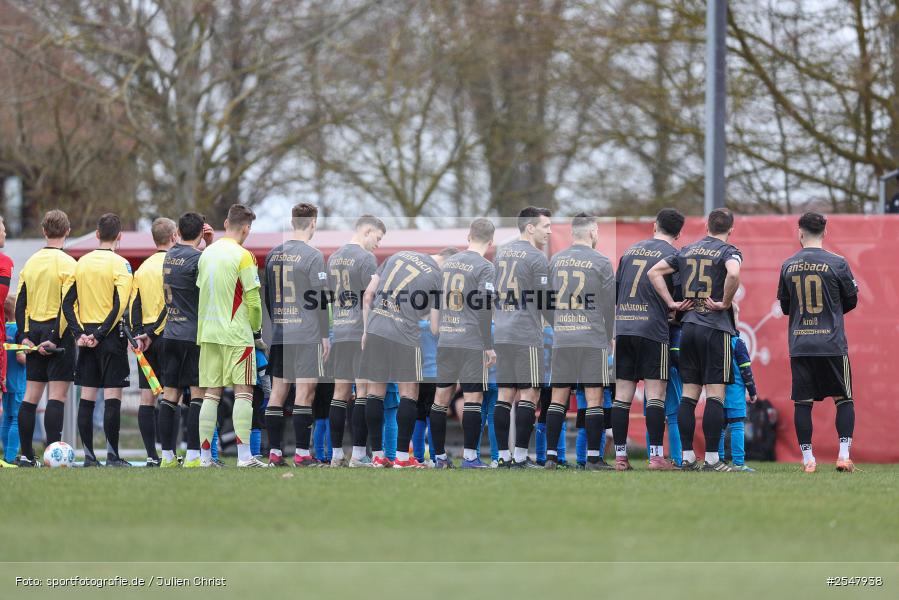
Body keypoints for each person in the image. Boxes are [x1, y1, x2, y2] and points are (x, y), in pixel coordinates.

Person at [647, 207, 742, 472]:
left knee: (689, 395)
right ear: (731, 229)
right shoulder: (729, 251)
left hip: (688, 328)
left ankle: (688, 457)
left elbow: (654, 272)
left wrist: (672, 303)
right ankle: (712, 459)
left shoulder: (686, 250)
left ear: (707, 226)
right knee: (715, 394)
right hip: (715, 328)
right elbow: (734, 273)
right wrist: (725, 302)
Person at [777, 212, 859, 473]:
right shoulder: (838, 262)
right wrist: (831, 311)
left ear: (800, 232)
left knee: (803, 402)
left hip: (801, 343)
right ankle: (843, 456)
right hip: (831, 342)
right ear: (825, 232)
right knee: (843, 399)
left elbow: (786, 307)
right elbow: (852, 300)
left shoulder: (787, 265)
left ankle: (808, 460)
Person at [612, 208, 686, 471]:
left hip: (624, 329)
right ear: (679, 233)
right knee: (656, 395)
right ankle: (656, 457)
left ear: (655, 226)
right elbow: (679, 300)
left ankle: (620, 458)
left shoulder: (629, 251)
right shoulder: (675, 256)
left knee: (622, 396)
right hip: (653, 330)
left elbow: (616, 292)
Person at [196, 204, 267, 468]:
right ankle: (244, 457)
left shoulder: (206, 254)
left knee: (210, 394)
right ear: (247, 229)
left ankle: (205, 458)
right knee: (244, 392)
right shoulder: (244, 256)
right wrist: (256, 332)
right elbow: (254, 301)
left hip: (208, 333)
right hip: (237, 333)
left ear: (226, 223)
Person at [359, 248, 442, 468]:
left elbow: (367, 296)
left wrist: (366, 330)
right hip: (405, 335)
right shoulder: (437, 276)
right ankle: (402, 458)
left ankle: (377, 456)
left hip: (376, 328)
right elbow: (434, 327)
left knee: (374, 393)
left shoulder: (395, 256)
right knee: (409, 393)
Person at [544, 213, 615, 470]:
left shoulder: (555, 260)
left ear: (573, 233)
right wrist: (609, 335)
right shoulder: (602, 261)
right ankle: (593, 458)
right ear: (593, 232)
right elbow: (608, 305)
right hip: (591, 337)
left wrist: (558, 324)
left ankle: (551, 456)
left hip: (563, 338)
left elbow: (544, 302)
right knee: (594, 398)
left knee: (558, 398)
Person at [62, 213, 134, 467]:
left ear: (96, 234)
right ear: (120, 236)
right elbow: (120, 304)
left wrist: (79, 334)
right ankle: (112, 456)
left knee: (87, 396)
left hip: (86, 336)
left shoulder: (81, 262)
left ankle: (89, 458)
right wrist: (100, 334)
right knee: (113, 396)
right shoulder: (121, 264)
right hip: (110, 336)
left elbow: (67, 303)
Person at [263, 203, 331, 468]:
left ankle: (274, 453)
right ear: (313, 223)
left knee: (278, 393)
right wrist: (325, 335)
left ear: (292, 222)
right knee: (305, 392)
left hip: (281, 333)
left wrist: (277, 325)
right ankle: (302, 454)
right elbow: (321, 299)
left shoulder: (273, 254)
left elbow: (268, 297)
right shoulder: (314, 256)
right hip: (306, 334)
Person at [431, 218, 496, 469]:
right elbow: (484, 308)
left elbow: (437, 303)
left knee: (440, 399)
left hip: (447, 339)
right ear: (491, 241)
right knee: (473, 399)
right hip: (470, 341)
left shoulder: (447, 264)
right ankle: (470, 457)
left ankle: (439, 457)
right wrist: (488, 345)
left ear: (469, 236)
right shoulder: (485, 267)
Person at [13, 210, 76, 468]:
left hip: (34, 330)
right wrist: (56, 338)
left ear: (43, 231)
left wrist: (25, 336)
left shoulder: (31, 262)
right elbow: (67, 306)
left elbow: (20, 303)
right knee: (57, 397)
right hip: (58, 333)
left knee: (30, 396)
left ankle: (26, 455)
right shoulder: (70, 264)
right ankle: (53, 456)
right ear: (67, 231)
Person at [493, 206, 553, 468]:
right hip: (525, 332)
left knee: (504, 395)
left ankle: (502, 457)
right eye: (545, 226)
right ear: (530, 228)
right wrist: (560, 324)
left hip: (502, 331)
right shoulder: (537, 257)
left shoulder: (501, 253)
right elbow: (544, 301)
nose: (549, 232)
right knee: (530, 394)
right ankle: (519, 456)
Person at [325, 215, 385, 467]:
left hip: (339, 331)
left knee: (339, 393)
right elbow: (368, 298)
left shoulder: (333, 257)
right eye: (378, 238)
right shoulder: (366, 258)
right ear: (367, 231)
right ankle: (359, 455)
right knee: (362, 392)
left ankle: (336, 454)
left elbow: (330, 297)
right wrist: (369, 330)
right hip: (359, 331)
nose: (378, 245)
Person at [159, 212, 213, 468]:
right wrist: (210, 244)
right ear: (201, 233)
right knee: (197, 395)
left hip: (170, 333)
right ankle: (192, 455)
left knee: (170, 396)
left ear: (178, 232)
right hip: (193, 336)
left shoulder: (169, 255)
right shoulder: (200, 259)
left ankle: (167, 457)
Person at [128, 218, 176, 466]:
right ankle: (169, 453)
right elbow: (171, 303)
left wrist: (138, 334)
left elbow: (133, 304)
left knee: (146, 398)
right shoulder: (174, 265)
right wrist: (155, 332)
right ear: (174, 236)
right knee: (171, 397)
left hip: (144, 339)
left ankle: (151, 455)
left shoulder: (142, 268)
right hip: (168, 334)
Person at [717, 313, 758, 472]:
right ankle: (738, 463)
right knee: (737, 426)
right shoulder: (738, 343)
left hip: (717, 393)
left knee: (719, 428)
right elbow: (746, 370)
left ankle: (719, 461)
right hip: (735, 394)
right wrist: (752, 391)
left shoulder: (715, 342)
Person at [2, 295, 26, 466]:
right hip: (18, 381)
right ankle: (11, 457)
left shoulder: (3, 329)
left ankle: (5, 456)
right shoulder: (19, 330)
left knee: (7, 418)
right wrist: (34, 357)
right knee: (17, 418)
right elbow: (21, 358)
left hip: (5, 381)